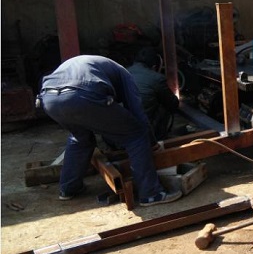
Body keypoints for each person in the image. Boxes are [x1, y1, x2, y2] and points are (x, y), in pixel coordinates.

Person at [38, 55, 182, 207]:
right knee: (137, 134)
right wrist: (151, 142)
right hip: (83, 93)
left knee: (80, 139)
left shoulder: (99, 66)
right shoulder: (124, 74)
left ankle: (68, 189)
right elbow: (137, 112)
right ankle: (151, 194)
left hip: (49, 98)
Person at [127, 47, 180, 140]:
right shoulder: (156, 78)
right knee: (165, 104)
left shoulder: (122, 72)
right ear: (154, 66)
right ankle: (158, 138)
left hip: (118, 129)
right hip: (141, 133)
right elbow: (173, 104)